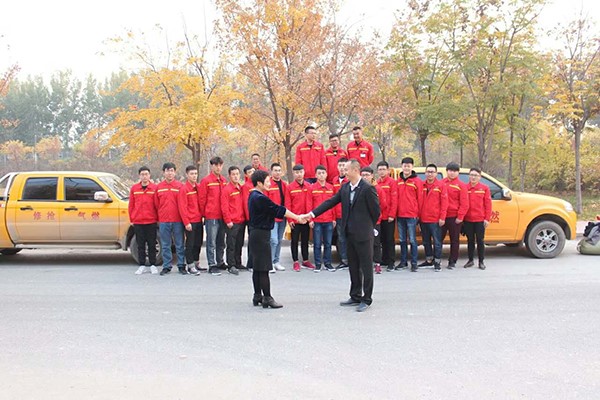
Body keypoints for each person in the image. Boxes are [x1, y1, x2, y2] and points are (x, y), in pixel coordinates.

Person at [303, 159, 381, 312]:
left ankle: (366, 298)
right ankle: (355, 295)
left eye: (346, 169)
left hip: (363, 234)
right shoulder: (345, 188)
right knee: (353, 266)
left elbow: (376, 212)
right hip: (349, 233)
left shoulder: (367, 188)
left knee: (366, 267)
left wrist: (367, 226)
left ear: (355, 170)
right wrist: (312, 214)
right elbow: (330, 202)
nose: (344, 172)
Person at [248, 170, 306, 309]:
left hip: (255, 234)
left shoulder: (253, 195)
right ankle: (267, 297)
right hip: (261, 235)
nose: (269, 183)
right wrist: (297, 217)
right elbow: (278, 209)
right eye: (267, 181)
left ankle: (257, 295)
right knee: (263, 268)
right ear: (259, 183)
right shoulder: (259, 198)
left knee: (257, 267)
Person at [155, 162, 186, 275]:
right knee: (165, 245)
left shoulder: (180, 186)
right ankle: (167, 266)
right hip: (164, 221)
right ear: (164, 173)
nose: (170, 173)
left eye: (172, 171)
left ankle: (181, 265)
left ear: (175, 172)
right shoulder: (159, 187)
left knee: (179, 244)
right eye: (167, 171)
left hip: (177, 220)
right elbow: (156, 204)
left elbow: (183, 204)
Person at [198, 156, 228, 276]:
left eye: (220, 165)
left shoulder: (223, 180)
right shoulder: (206, 181)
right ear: (212, 166)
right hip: (212, 216)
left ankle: (220, 262)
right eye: (216, 165)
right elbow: (202, 199)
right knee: (211, 242)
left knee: (221, 241)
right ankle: (212, 264)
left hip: (222, 216)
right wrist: (205, 214)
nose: (218, 167)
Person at [129, 166, 159, 275]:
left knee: (152, 244)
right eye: (142, 174)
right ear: (139, 176)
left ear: (149, 175)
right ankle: (141, 265)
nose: (144, 176)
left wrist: (158, 218)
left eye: (146, 174)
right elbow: (131, 205)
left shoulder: (154, 188)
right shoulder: (134, 188)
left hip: (151, 221)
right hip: (138, 221)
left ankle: (152, 265)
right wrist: (132, 218)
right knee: (140, 244)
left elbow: (157, 205)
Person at [418, 164, 448, 272]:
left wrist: (442, 217)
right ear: (425, 173)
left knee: (437, 242)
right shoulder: (421, 185)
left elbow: (444, 203)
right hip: (423, 219)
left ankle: (437, 262)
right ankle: (429, 260)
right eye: (428, 172)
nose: (430, 174)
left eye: (432, 172)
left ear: (436, 173)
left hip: (435, 219)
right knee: (426, 241)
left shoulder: (441, 186)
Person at [307, 165, 336, 272]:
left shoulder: (331, 188)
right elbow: (309, 204)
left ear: (326, 174)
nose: (321, 175)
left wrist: (334, 218)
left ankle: (328, 263)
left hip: (328, 220)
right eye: (319, 173)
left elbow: (334, 204)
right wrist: (310, 219)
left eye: (323, 173)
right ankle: (318, 264)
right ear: (315, 175)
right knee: (317, 244)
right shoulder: (312, 188)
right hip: (317, 221)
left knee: (328, 243)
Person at [396, 157, 423, 272]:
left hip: (412, 215)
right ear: (401, 166)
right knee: (402, 240)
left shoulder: (417, 181)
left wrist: (419, 215)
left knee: (412, 240)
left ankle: (414, 263)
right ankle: (403, 262)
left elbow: (420, 199)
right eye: (404, 166)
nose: (406, 168)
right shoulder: (398, 181)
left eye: (408, 166)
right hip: (400, 215)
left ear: (412, 167)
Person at [285, 164, 313, 271]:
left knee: (305, 241)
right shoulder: (290, 187)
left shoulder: (309, 186)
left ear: (304, 172)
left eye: (301, 172)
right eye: (297, 172)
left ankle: (305, 260)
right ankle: (295, 261)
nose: (299, 174)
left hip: (305, 219)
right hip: (295, 220)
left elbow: (310, 203)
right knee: (295, 241)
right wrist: (290, 220)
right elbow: (288, 204)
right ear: (293, 173)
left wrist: (310, 218)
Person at [441, 162, 469, 269]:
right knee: (438, 239)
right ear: (446, 171)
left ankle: (452, 260)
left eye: (454, 171)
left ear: (458, 173)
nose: (452, 173)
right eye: (450, 171)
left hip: (454, 217)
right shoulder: (441, 183)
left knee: (454, 240)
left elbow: (464, 203)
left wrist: (460, 217)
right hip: (442, 217)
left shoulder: (461, 185)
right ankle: (436, 259)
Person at [463, 167, 492, 270]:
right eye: (471, 175)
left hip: (480, 220)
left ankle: (481, 261)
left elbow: (488, 205)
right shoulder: (465, 188)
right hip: (468, 219)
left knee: (480, 241)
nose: (473, 177)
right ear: (469, 176)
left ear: (480, 177)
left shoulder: (484, 188)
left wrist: (487, 218)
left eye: (475, 175)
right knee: (470, 241)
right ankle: (470, 260)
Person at [178, 165, 204, 275]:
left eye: (196, 174)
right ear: (187, 175)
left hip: (199, 220)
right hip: (190, 221)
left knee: (198, 242)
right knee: (190, 244)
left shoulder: (198, 187)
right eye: (192, 174)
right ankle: (190, 265)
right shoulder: (184, 189)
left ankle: (196, 262)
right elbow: (182, 207)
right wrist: (186, 222)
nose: (194, 176)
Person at [360, 166, 387, 275]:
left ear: (372, 176)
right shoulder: (359, 188)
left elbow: (383, 204)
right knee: (363, 243)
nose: (365, 177)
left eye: (367, 175)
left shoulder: (377, 189)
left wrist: (376, 215)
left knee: (375, 243)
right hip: (362, 222)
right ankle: (364, 263)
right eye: (363, 175)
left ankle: (377, 263)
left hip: (375, 221)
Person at [221, 166, 246, 275]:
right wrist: (228, 221)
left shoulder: (241, 188)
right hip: (232, 222)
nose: (235, 176)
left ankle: (238, 262)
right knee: (231, 244)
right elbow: (224, 207)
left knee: (239, 243)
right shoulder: (227, 189)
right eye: (233, 174)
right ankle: (231, 265)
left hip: (241, 220)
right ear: (229, 176)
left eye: (237, 174)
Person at [266, 163, 288, 272]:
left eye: (279, 170)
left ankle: (276, 261)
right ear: (271, 172)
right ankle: (269, 263)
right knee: (273, 240)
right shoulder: (268, 184)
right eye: (275, 170)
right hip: (272, 217)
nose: (277, 172)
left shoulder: (284, 185)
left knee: (279, 240)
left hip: (282, 217)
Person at [376, 161, 398, 272]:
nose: (382, 172)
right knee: (382, 239)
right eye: (380, 169)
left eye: (384, 169)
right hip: (380, 217)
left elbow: (394, 200)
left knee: (389, 239)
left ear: (388, 170)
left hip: (389, 216)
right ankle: (384, 259)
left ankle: (391, 262)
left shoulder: (392, 183)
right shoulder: (376, 183)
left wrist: (392, 214)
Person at [331, 157, 349, 269]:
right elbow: (333, 199)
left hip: (349, 215)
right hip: (338, 215)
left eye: (344, 166)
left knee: (351, 237)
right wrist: (333, 217)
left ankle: (353, 260)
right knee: (341, 238)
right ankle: (344, 260)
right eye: (340, 166)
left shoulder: (350, 180)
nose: (342, 168)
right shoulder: (334, 180)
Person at [241, 165, 256, 271]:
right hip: (251, 218)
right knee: (252, 241)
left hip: (258, 217)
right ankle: (250, 264)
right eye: (250, 172)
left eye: (253, 171)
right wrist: (249, 217)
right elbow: (246, 203)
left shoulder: (257, 184)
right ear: (246, 175)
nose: (252, 173)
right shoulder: (246, 186)